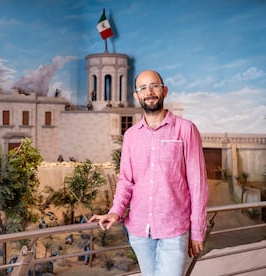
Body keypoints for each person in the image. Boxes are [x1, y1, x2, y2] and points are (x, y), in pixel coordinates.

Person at [89, 70, 208, 276]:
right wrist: (115, 212)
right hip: (139, 231)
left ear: (165, 90)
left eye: (154, 86)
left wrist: (197, 231)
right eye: (142, 88)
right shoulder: (131, 136)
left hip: (173, 230)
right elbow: (126, 181)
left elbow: (198, 185)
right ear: (137, 96)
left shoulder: (186, 130)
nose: (149, 91)